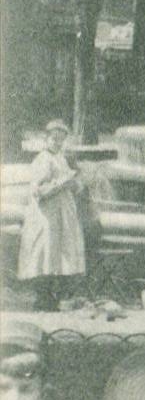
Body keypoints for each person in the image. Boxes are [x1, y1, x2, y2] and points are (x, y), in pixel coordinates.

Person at [17, 119, 86, 312]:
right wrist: (61, 183)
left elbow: (72, 183)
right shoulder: (42, 159)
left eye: (61, 140)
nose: (57, 143)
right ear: (46, 138)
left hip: (62, 214)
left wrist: (75, 184)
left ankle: (55, 297)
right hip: (46, 215)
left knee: (59, 254)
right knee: (45, 253)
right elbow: (38, 191)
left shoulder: (61, 158)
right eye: (54, 139)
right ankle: (43, 298)